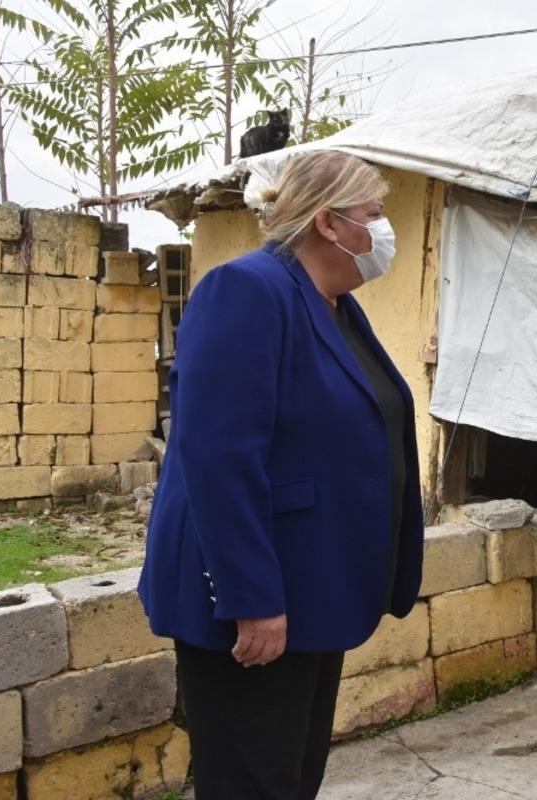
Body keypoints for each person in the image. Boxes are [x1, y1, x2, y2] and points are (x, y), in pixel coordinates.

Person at [138, 150, 424, 799]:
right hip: (256, 604)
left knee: (291, 778)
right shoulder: (246, 291)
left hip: (314, 589)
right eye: (374, 214)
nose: (384, 230)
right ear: (328, 223)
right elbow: (218, 455)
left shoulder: (334, 306)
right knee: (252, 783)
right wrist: (253, 598)